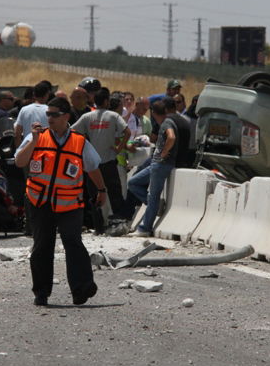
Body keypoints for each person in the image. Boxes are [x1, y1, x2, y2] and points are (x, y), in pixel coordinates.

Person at [15, 96, 106, 307]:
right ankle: (41, 292)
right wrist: (34, 142)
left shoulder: (79, 141)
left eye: (54, 114)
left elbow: (92, 167)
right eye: (48, 114)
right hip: (40, 202)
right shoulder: (37, 136)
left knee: (73, 243)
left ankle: (81, 289)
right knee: (42, 247)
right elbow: (20, 161)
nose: (50, 118)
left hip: (69, 203)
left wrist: (101, 190)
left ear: (66, 116)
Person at [72, 88, 130, 227]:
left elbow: (72, 131)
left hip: (92, 164)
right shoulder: (113, 116)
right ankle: (118, 223)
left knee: (94, 195)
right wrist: (118, 148)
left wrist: (82, 148)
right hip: (109, 161)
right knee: (115, 193)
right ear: (106, 101)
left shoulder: (87, 117)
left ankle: (98, 226)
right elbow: (127, 132)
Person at [126, 99, 176, 238]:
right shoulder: (168, 122)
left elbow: (171, 137)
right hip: (157, 164)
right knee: (133, 183)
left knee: (153, 196)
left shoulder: (166, 123)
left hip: (160, 164)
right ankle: (155, 207)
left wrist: (163, 153)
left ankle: (145, 228)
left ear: (153, 113)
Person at [14, 81, 51, 149]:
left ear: (34, 94)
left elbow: (17, 134)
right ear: (46, 95)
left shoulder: (24, 110)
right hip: (45, 151)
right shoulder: (50, 111)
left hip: (27, 150)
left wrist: (19, 151)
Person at [163, 96, 193, 169]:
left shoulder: (168, 120)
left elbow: (171, 137)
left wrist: (163, 152)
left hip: (168, 162)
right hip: (181, 161)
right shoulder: (185, 120)